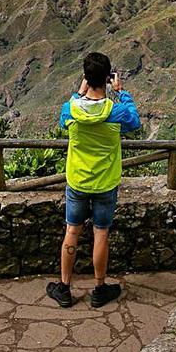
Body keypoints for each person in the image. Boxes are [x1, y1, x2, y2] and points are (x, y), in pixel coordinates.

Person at [46, 52, 141, 308]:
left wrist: (78, 93)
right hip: (105, 183)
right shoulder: (116, 111)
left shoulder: (71, 110)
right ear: (108, 79)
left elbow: (63, 121)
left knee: (72, 231)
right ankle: (99, 288)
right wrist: (121, 92)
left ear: (86, 78)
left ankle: (64, 287)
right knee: (101, 234)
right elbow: (135, 121)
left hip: (77, 181)